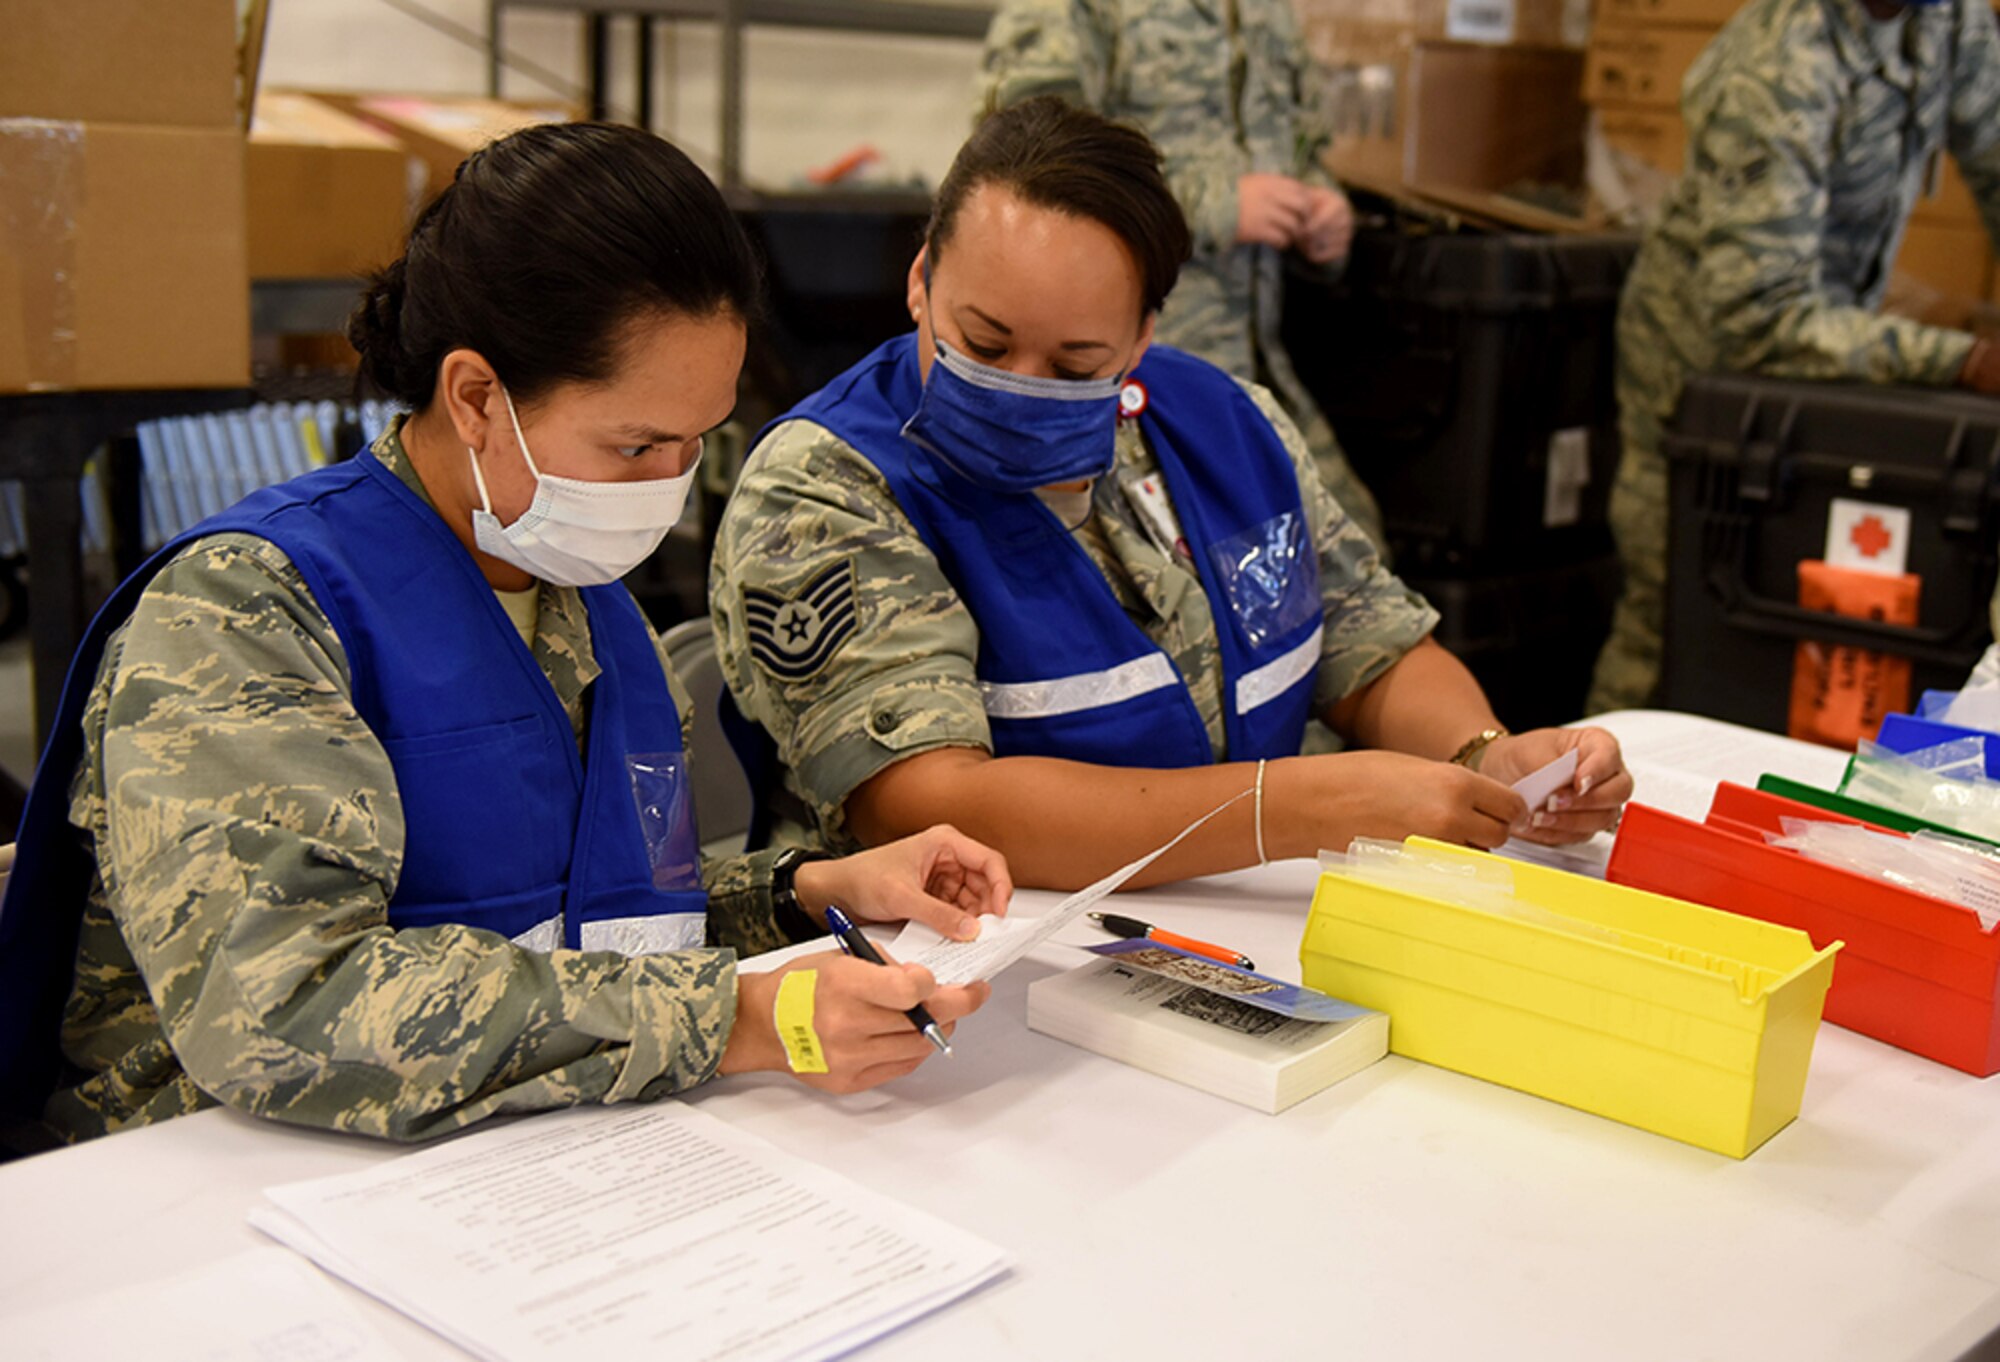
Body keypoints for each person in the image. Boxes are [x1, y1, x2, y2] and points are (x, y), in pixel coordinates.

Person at [0, 123, 1007, 1152]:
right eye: (634, 445)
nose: (669, 484)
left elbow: (579, 916)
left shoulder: (580, 596)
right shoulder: (248, 612)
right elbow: (284, 1004)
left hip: (519, 1159)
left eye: (696, 441)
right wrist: (735, 1018)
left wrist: (799, 893)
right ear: (477, 397)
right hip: (219, 1183)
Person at [710, 98, 1632, 892]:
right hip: (957, 962)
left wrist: (1484, 753)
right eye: (983, 344)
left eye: (1077, 363)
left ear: (1143, 336)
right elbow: (925, 800)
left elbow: (1371, 642)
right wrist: (1290, 806)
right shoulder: (829, 485)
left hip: (1233, 925)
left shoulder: (1222, 425)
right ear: (920, 281)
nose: (1024, 383)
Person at [1587, 0, 2000, 714]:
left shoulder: (1948, 18)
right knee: (1673, 618)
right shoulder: (1778, 65)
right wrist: (1964, 362)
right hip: (1703, 369)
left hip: (1831, 356)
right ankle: (1588, 800)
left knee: (1796, 623)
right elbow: (1762, 319)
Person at [978, 0, 1387, 551]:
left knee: (1352, 553)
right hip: (1119, 381)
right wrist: (1212, 203)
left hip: (1255, 373)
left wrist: (1325, 209)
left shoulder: (1267, 12)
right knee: (1172, 584)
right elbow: (1020, 164)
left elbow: (1303, 145)